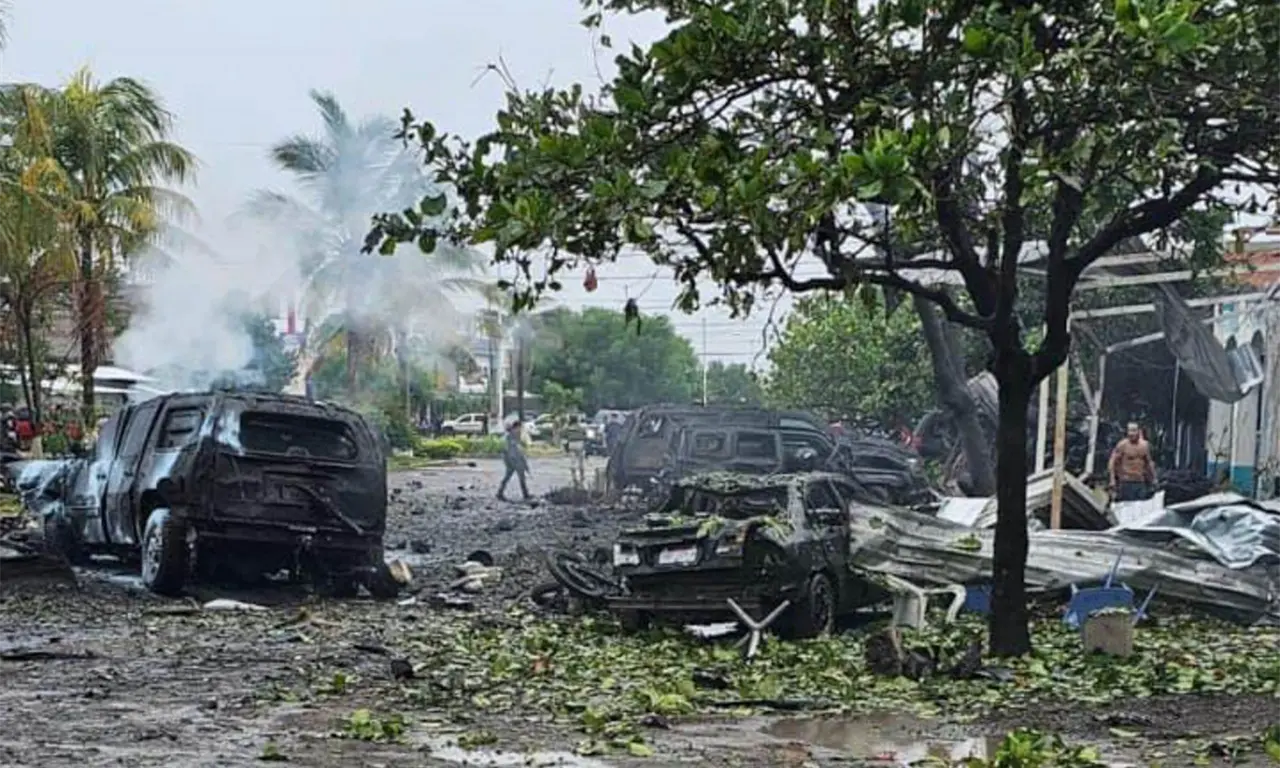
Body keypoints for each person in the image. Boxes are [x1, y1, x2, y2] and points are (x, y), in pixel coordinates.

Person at [1109, 422, 1158, 501]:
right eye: (1130, 431)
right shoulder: (1122, 445)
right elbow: (1112, 462)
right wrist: (1112, 480)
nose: (1131, 433)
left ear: (1138, 431)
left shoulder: (1144, 445)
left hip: (1140, 482)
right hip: (1126, 482)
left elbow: (1148, 463)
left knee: (1140, 506)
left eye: (1134, 430)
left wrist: (1154, 478)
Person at [498, 419, 531, 502]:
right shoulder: (510, 436)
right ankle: (525, 494)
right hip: (512, 460)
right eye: (519, 428)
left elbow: (519, 449)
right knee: (519, 477)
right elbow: (510, 450)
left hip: (514, 459)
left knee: (511, 477)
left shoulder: (516, 436)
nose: (520, 430)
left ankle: (500, 492)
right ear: (515, 427)